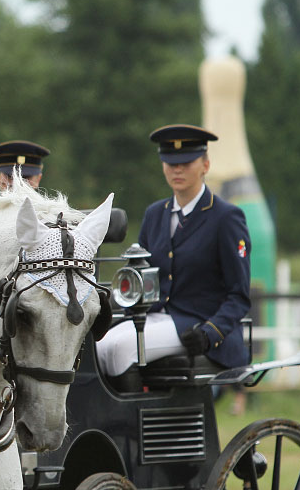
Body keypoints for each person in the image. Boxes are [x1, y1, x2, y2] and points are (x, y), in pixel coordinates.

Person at [96, 124, 251, 377]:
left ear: (205, 165)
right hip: (154, 317)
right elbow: (142, 277)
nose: (177, 169)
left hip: (198, 325)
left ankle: (128, 416)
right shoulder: (155, 214)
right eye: (170, 162)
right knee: (98, 346)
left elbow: (239, 296)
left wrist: (210, 332)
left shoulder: (226, 218)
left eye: (187, 162)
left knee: (119, 349)